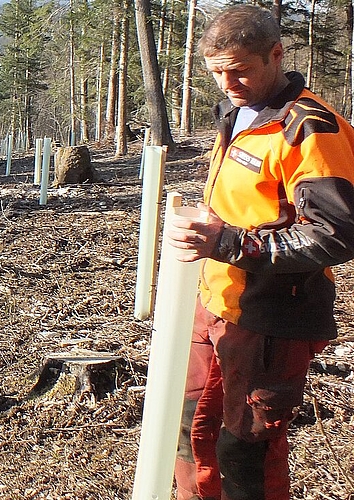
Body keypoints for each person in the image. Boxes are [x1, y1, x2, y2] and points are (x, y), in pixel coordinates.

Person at [166, 4, 354, 499]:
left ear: (277, 54)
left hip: (273, 316)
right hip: (214, 305)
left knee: (246, 452)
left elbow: (336, 234)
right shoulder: (237, 112)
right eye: (216, 73)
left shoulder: (311, 129)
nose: (228, 83)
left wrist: (227, 242)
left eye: (240, 70)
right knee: (185, 429)